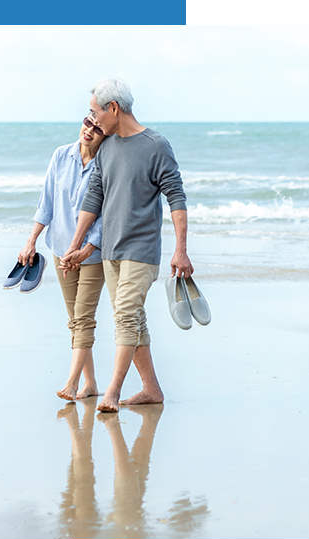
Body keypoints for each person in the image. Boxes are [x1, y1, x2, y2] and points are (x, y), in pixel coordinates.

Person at [61, 77, 193, 413]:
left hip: (141, 251)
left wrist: (181, 249)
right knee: (134, 320)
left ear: (114, 108)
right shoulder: (106, 148)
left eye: (95, 111)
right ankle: (151, 389)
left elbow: (176, 196)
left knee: (125, 317)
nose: (92, 118)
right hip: (111, 251)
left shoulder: (156, 145)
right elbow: (94, 197)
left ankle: (112, 393)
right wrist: (76, 245)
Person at [18, 116, 108, 401]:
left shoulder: (108, 164)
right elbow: (47, 202)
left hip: (93, 254)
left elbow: (107, 215)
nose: (89, 131)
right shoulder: (61, 155)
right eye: (88, 123)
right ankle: (90, 384)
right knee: (75, 319)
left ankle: (71, 383)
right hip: (60, 249)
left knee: (83, 318)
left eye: (97, 129)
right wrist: (31, 240)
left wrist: (87, 247)